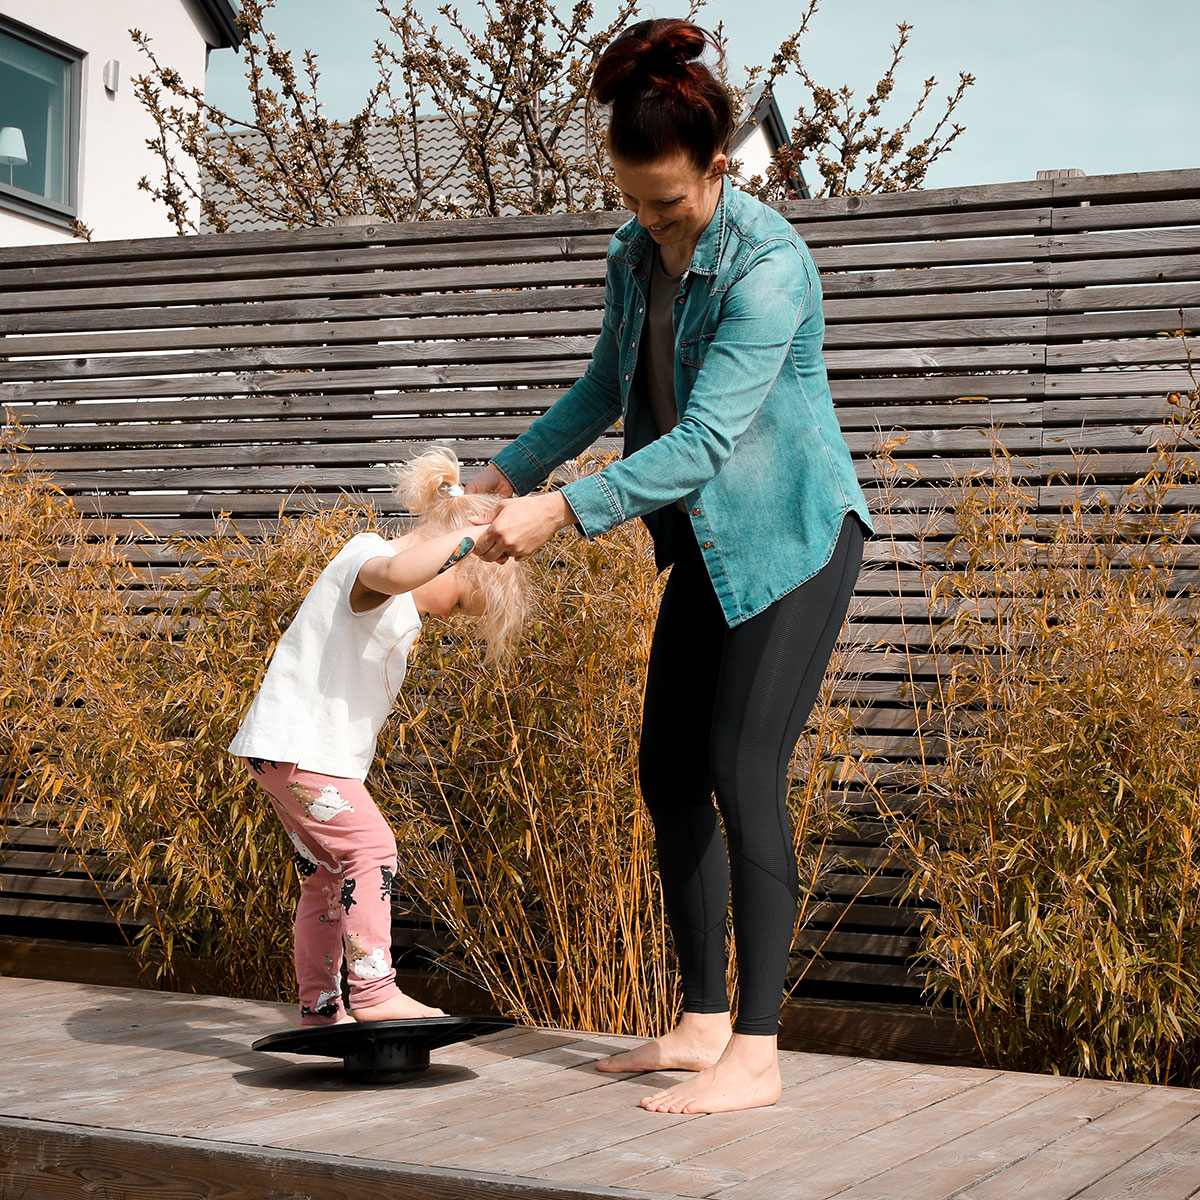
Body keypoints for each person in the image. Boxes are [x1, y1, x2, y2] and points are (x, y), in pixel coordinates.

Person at [467, 18, 873, 1114]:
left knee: (743, 769)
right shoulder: (634, 255)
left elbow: (703, 440)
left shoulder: (771, 267)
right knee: (664, 767)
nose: (651, 223)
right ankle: (697, 1025)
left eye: (670, 203)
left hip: (792, 537)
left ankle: (759, 1049)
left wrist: (564, 512)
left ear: (718, 168)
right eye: (634, 202)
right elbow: (604, 390)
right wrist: (509, 473)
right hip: (705, 544)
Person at [229, 448, 526, 1028]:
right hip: (300, 750)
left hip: (288, 753)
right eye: (462, 603)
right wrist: (478, 536)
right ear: (445, 564)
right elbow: (393, 576)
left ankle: (321, 1007)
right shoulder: (369, 559)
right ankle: (373, 991)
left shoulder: (395, 600)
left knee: (327, 875)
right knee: (373, 851)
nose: (450, 618)